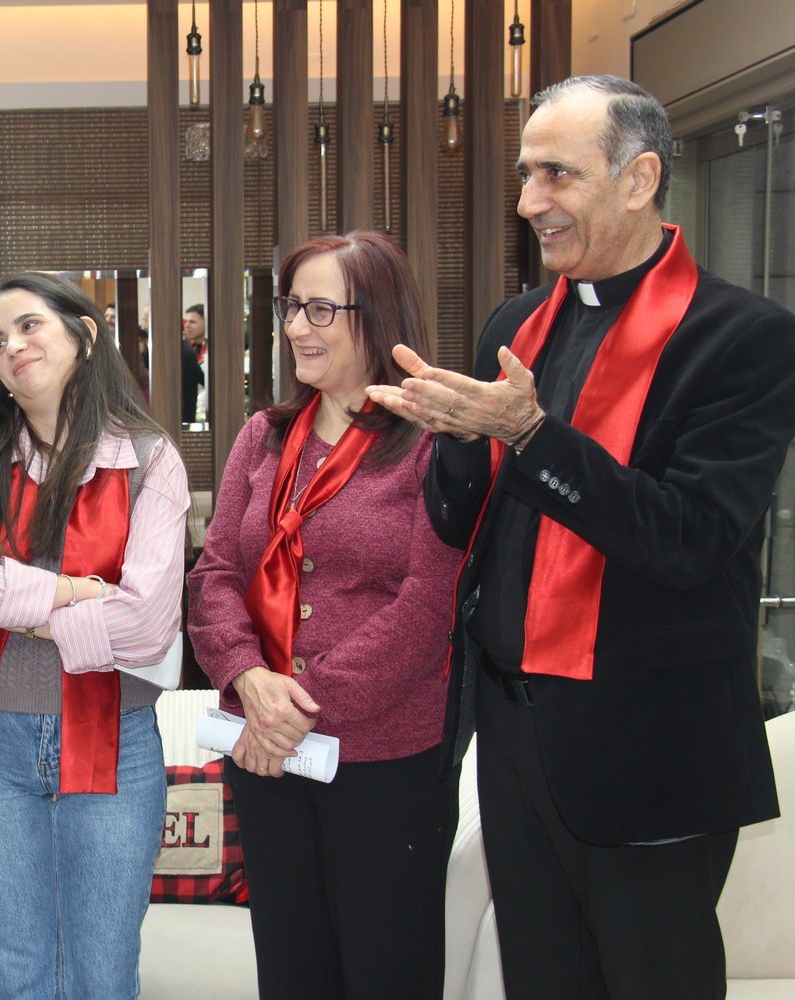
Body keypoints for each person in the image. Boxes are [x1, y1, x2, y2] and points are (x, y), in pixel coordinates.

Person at [368, 75, 795, 1000]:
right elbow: (463, 525)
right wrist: (455, 440)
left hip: (651, 746)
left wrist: (529, 435)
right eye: (526, 175)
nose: (529, 203)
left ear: (639, 180)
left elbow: (689, 539)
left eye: (556, 174)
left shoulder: (744, 338)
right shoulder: (516, 325)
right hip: (517, 738)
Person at [188, 232, 461, 999]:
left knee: (387, 970)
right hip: (266, 758)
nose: (295, 328)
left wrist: (295, 708)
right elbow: (215, 575)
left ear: (378, 317)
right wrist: (248, 679)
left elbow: (427, 607)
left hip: (386, 760)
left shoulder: (435, 443)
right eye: (290, 307)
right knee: (292, 969)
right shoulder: (264, 437)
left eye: (319, 310)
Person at [0, 272, 188, 999]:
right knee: (15, 979)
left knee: (104, 978)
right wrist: (78, 592)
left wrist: (10, 606)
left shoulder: (149, 459)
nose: (12, 347)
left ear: (85, 334)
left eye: (30, 325)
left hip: (115, 743)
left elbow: (148, 624)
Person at [182, 302, 207, 423]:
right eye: (185, 321)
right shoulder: (185, 350)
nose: (187, 325)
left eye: (192, 322)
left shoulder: (216, 352)